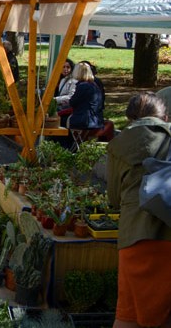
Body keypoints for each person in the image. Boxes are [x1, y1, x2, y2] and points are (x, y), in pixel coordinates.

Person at [107, 93, 171, 328]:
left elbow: (114, 198)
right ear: (165, 116)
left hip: (134, 235)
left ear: (129, 117)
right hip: (169, 233)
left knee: (128, 314)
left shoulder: (119, 145)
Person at [67, 62, 104, 131]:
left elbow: (72, 102)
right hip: (95, 119)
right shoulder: (94, 85)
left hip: (85, 120)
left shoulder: (83, 86)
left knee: (63, 120)